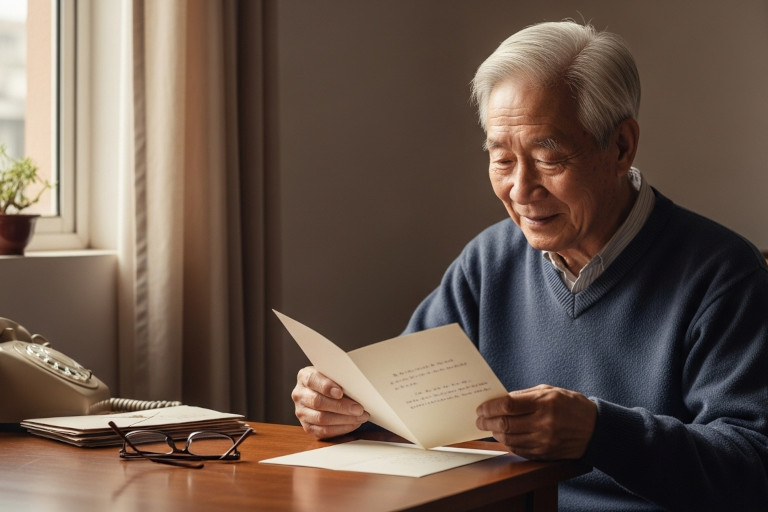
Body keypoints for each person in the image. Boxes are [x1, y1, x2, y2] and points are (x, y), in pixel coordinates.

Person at [291, 20, 768, 511]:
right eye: (502, 160)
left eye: (549, 158)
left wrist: (599, 432)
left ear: (621, 147)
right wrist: (346, 408)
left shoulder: (723, 276)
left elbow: (754, 468)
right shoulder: (489, 261)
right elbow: (409, 405)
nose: (520, 190)